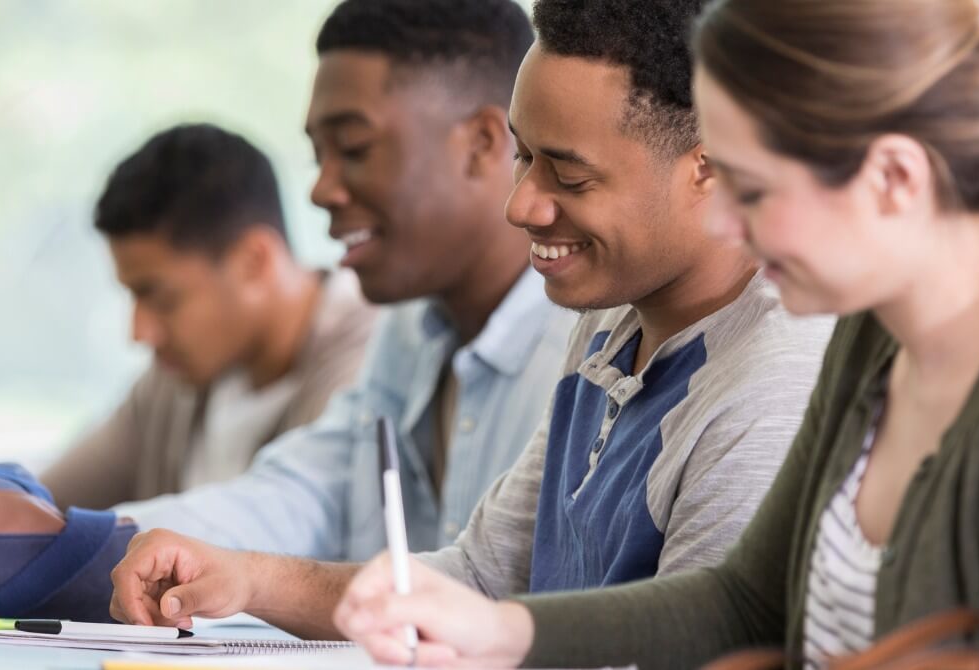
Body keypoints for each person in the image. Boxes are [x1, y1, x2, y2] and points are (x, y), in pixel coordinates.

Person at [330, 0, 979, 668]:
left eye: (754, 193)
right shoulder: (875, 338)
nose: (732, 233)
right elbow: (747, 601)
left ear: (892, 178)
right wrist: (498, 629)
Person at [108, 0, 831, 640]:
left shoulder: (771, 381)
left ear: (708, 166)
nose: (521, 205)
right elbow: (480, 578)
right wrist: (249, 580)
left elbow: (706, 644)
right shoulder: (613, 326)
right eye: (523, 157)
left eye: (568, 176)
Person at [107, 0, 577, 563]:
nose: (321, 190)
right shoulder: (412, 328)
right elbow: (308, 493)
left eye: (354, 149)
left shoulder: (590, 348)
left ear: (480, 142)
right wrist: (71, 537)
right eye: (317, 156)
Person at [41, 123, 375, 509]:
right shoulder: (175, 381)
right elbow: (41, 503)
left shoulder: (369, 368)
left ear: (254, 261)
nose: (139, 333)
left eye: (162, 298)